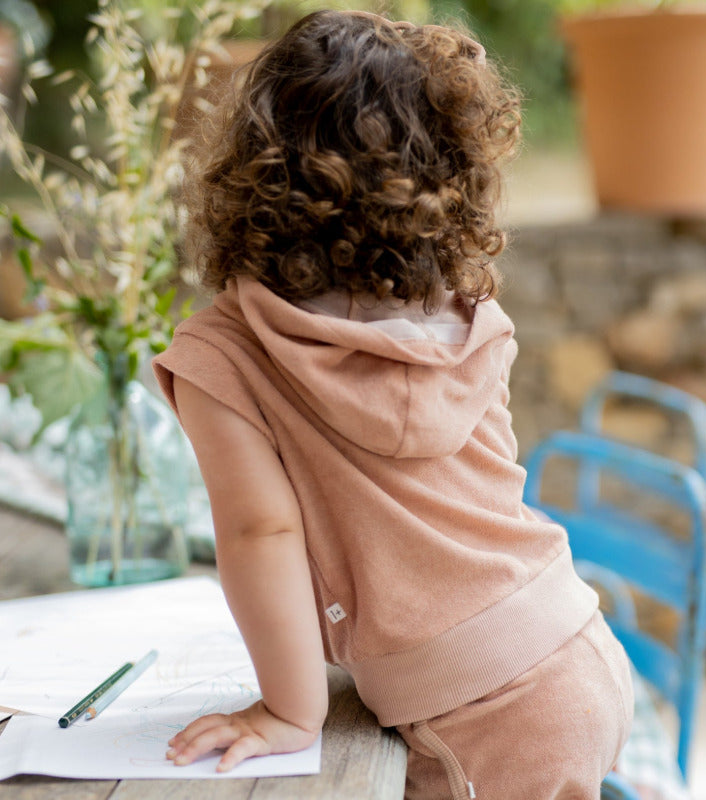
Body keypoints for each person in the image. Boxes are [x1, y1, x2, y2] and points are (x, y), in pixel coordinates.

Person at [153, 10, 633, 799]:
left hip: (475, 717)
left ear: (250, 170)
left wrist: (287, 711)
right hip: (571, 637)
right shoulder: (469, 317)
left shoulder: (225, 350)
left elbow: (259, 530)